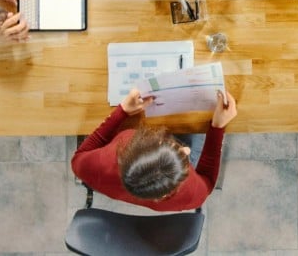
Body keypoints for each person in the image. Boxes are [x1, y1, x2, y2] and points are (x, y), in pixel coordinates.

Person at [71, 88, 238, 211]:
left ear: (140, 143)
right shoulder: (189, 194)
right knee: (195, 125)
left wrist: (122, 111)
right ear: (164, 195)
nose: (186, 151)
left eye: (170, 145)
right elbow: (207, 181)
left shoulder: (97, 165)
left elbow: (79, 157)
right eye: (179, 151)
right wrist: (217, 127)